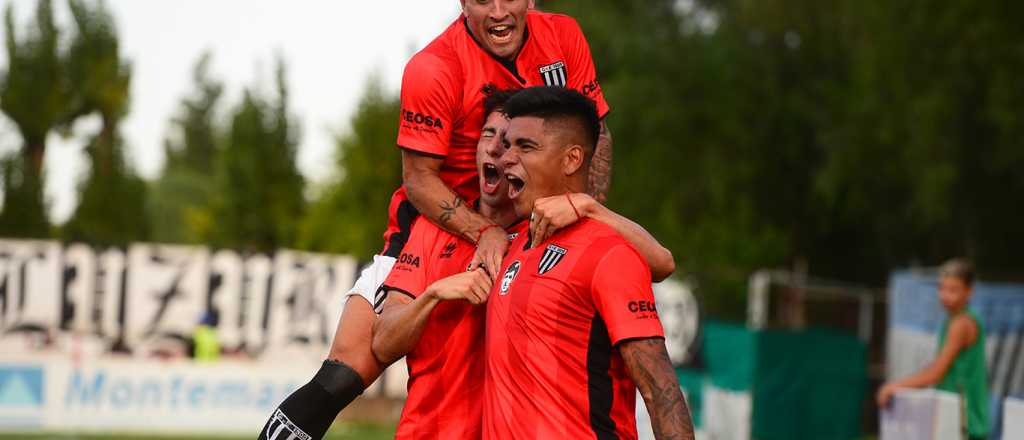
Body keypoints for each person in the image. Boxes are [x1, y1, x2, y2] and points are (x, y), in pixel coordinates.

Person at [259, 2, 612, 438]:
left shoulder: (563, 37)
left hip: (530, 232)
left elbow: (594, 136)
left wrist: (582, 216)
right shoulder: (434, 67)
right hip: (436, 232)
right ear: (463, 2)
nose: (499, 11)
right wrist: (484, 231)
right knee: (340, 376)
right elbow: (418, 179)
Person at [373, 89, 673, 440]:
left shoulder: (541, 235)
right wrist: (435, 293)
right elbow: (382, 344)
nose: (501, 152)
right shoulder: (429, 232)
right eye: (490, 135)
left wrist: (588, 206)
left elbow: (661, 262)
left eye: (518, 144)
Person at [484, 86, 694, 440]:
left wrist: (590, 208)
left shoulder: (608, 253)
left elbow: (662, 392)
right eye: (508, 145)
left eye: (526, 146)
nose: (507, 158)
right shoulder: (514, 244)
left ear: (571, 159)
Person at [877, 258, 990, 440]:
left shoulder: (961, 324)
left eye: (953, 290)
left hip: (966, 424)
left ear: (969, 292)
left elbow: (935, 373)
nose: (945, 295)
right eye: (942, 288)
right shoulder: (952, 321)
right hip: (955, 420)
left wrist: (893, 387)